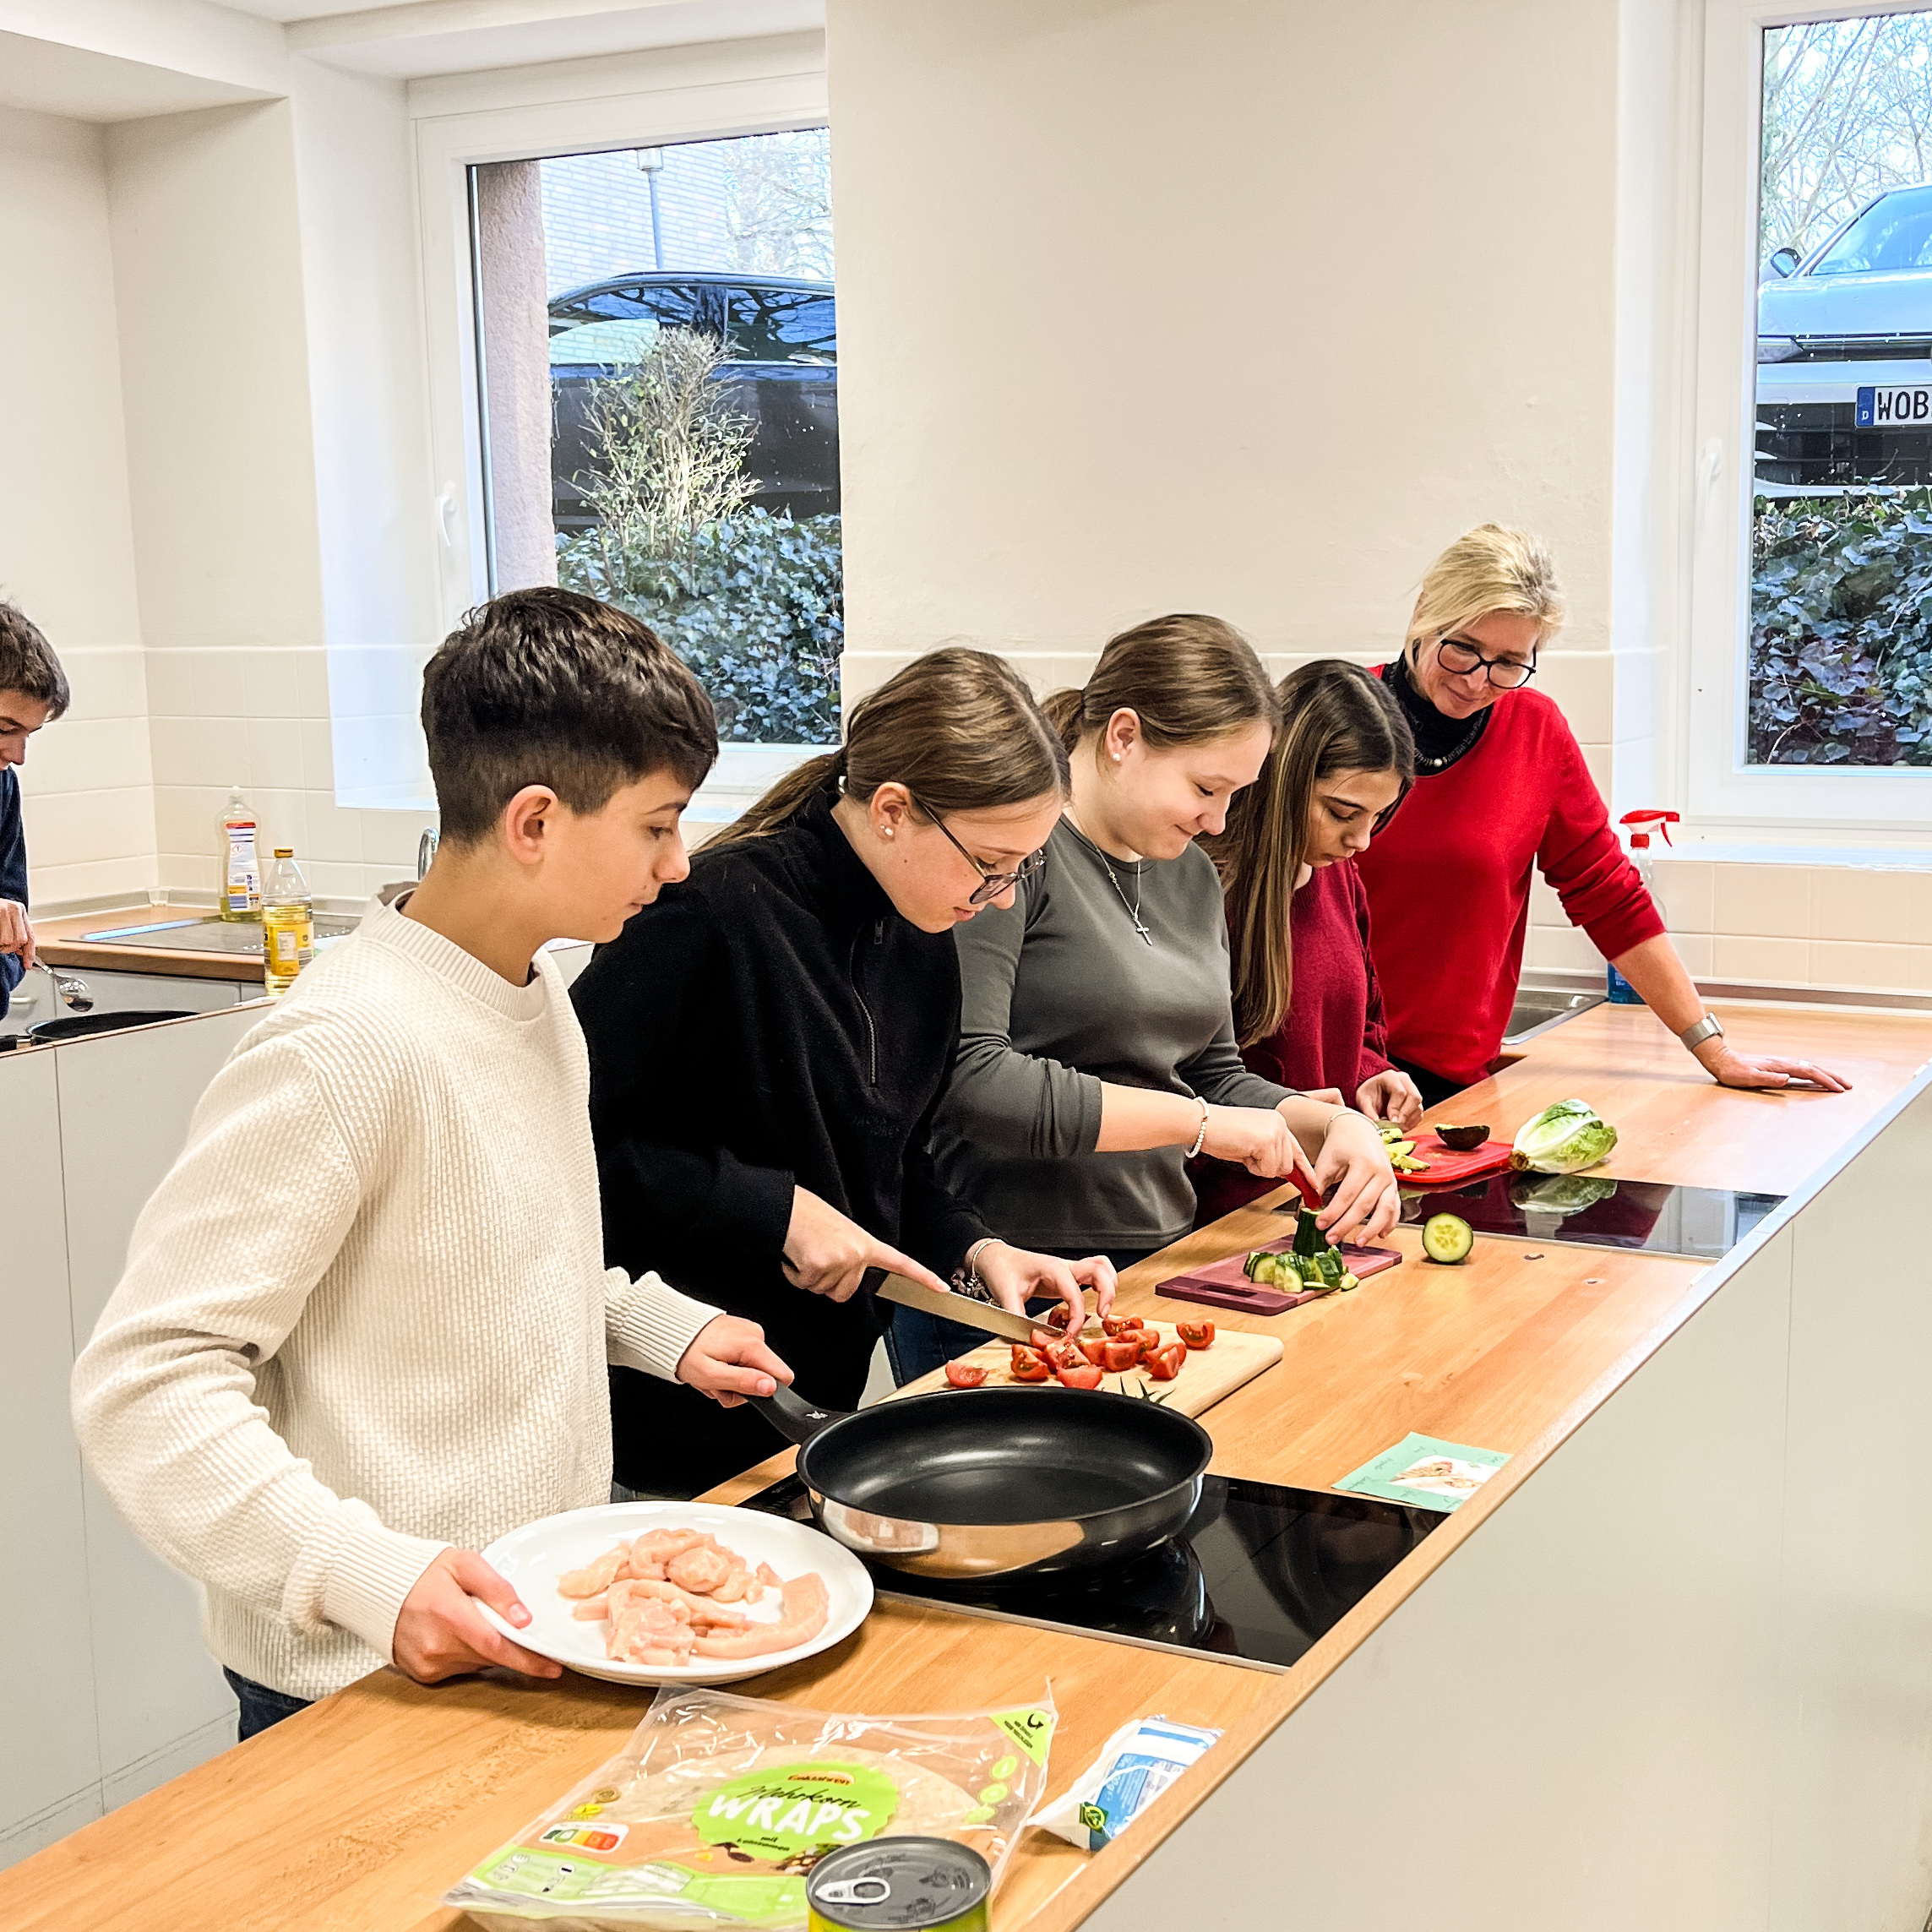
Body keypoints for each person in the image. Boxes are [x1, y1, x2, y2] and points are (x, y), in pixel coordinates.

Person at [71, 588, 790, 1740]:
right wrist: (363, 1570)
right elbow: (147, 1382)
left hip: (529, 1627)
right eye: (657, 825)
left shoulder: (535, 995)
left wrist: (654, 1325)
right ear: (536, 821)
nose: (680, 863)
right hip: (356, 1681)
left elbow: (478, 1256)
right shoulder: (346, 1043)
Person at [573, 647, 1115, 1498]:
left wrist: (976, 1245)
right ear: (893, 809)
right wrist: (772, 1209)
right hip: (662, 1424)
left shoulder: (922, 934)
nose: (1003, 897)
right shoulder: (710, 915)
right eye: (990, 863)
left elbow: (895, 1161)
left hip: (809, 1413)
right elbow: (569, 1151)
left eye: (1023, 867)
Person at [922, 616, 1401, 1380]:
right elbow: (973, 1079)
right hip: (1013, 1266)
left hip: (1155, 1254)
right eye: (1206, 789)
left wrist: (1329, 1123)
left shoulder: (1188, 873)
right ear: (1122, 737)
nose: (1217, 819)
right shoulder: (1016, 856)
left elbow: (1211, 1073)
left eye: (1233, 795)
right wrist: (1200, 1126)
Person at [1354, 525, 1850, 1104]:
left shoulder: (1534, 730)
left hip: (1449, 1077)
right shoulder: (1343, 717)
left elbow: (1608, 895)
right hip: (1330, 1069)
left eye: (1510, 662)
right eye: (1462, 648)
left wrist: (1712, 1048)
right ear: (1422, 615)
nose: (1478, 680)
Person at [1192, 659, 1419, 1224]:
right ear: (1284, 778)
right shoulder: (1205, 886)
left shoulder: (1338, 874)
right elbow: (1179, 1077)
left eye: (1377, 815)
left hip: (1315, 1204)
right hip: (1220, 1219)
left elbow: (1361, 1014)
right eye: (1342, 812)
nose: (1360, 839)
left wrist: (1371, 1072)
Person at [0, 601, 70, 1018]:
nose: (18, 755)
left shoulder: (2, 786)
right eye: (5, 728)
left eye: (29, 734)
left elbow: (11, 935)